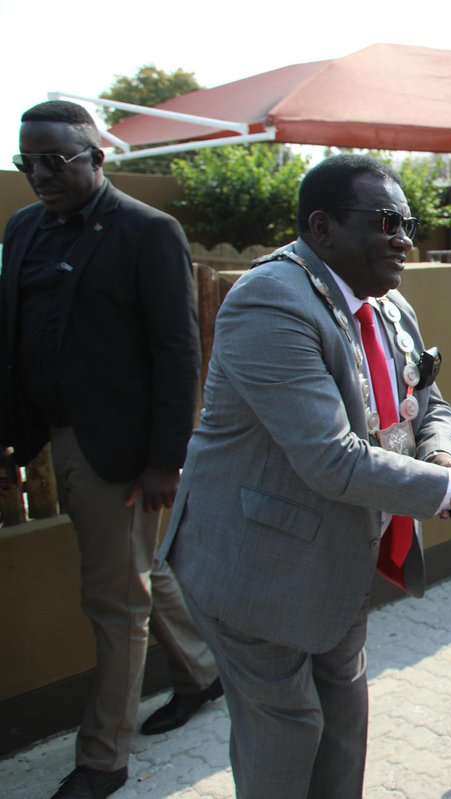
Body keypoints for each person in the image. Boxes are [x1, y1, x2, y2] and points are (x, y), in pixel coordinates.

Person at [160, 154, 451, 798]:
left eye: (409, 222)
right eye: (388, 222)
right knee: (287, 736)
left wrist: (447, 462)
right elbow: (331, 457)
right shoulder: (269, 302)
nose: (406, 238)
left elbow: (430, 403)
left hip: (337, 560)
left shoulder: (388, 303)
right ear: (323, 227)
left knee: (343, 728)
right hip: (256, 570)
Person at [0, 100, 221, 799]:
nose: (39, 173)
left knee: (113, 599)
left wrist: (165, 457)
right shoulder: (23, 228)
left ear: (97, 157)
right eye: (26, 160)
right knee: (138, 567)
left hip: (120, 452)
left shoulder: (147, 231)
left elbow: (177, 350)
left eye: (55, 159)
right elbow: (16, 338)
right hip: (55, 434)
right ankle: (202, 670)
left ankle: (103, 758)